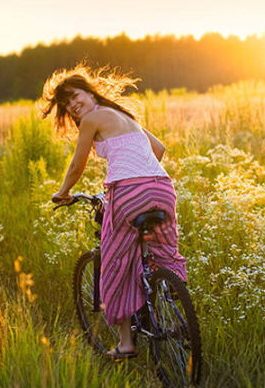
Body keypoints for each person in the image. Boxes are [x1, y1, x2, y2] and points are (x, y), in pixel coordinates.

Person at [39, 65, 187, 359]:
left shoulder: (92, 119)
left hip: (129, 194)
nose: (72, 105)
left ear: (89, 91)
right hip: (162, 188)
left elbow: (77, 165)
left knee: (116, 262)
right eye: (67, 104)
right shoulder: (126, 117)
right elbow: (159, 148)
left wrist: (63, 192)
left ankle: (126, 343)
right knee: (162, 254)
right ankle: (169, 299)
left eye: (74, 96)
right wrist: (137, 170)